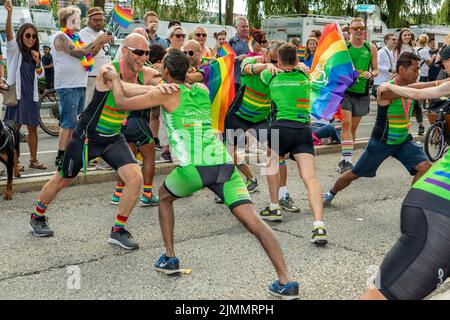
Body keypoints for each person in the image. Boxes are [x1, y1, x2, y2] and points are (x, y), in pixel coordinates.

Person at [104, 48, 300, 300]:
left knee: (163, 197)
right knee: (255, 223)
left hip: (195, 167)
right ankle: (286, 280)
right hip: (223, 165)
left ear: (164, 71)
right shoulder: (202, 90)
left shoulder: (165, 94)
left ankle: (170, 257)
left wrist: (115, 79)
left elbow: (120, 102)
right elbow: (162, 88)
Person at [28, 34, 174, 250]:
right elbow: (122, 91)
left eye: (147, 53)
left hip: (114, 137)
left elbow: (164, 82)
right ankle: (37, 216)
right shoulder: (108, 71)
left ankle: (118, 230)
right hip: (87, 137)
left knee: (135, 178)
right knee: (62, 179)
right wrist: (154, 90)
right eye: (139, 52)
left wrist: (175, 84)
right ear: (124, 50)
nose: (144, 57)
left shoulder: (145, 73)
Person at [360, 51, 450, 300]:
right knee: (382, 296)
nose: (443, 66)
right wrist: (390, 86)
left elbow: (425, 88)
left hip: (431, 199)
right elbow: (422, 90)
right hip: (439, 209)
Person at [323, 52, 431, 207]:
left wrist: (443, 83)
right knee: (354, 174)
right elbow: (416, 89)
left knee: (425, 167)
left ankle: (411, 201)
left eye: (418, 70)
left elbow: (418, 88)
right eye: (414, 70)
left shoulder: (409, 88)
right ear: (401, 69)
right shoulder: (386, 90)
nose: (418, 73)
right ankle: (330, 193)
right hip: (381, 143)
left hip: (402, 141)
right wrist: (438, 83)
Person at [257, 43, 327, 245]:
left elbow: (255, 68)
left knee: (271, 162)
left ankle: (274, 206)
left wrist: (268, 65)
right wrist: (302, 66)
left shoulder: (270, 76)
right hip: (303, 129)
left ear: (278, 61)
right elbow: (314, 77)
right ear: (297, 60)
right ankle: (319, 225)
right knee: (310, 178)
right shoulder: (306, 77)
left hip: (280, 127)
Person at [52, 6, 111, 167]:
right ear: (67, 21)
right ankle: (61, 155)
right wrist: (98, 40)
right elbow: (78, 53)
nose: (78, 21)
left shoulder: (76, 36)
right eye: (76, 19)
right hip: (68, 85)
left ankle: (73, 152)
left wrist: (99, 42)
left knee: (78, 123)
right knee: (69, 122)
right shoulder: (61, 37)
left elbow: (90, 53)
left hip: (79, 83)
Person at [224, 40, 285, 195]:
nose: (275, 64)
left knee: (275, 153)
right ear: (265, 53)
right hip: (238, 116)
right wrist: (266, 65)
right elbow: (245, 68)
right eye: (273, 60)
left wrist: (301, 67)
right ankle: (250, 179)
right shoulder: (251, 60)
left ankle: (282, 195)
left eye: (278, 61)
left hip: (261, 119)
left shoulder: (280, 68)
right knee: (230, 154)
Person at [3, 0, 46, 170]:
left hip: (31, 96)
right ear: (21, 36)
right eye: (27, 35)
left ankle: (33, 160)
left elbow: (40, 74)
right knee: (14, 131)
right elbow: (8, 33)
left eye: (34, 36)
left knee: (33, 129)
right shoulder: (15, 50)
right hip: (18, 96)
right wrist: (9, 13)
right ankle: (15, 162)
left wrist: (37, 61)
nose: (31, 38)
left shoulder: (35, 54)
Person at [338, 18, 378, 173]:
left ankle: (346, 157)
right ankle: (345, 160)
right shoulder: (344, 47)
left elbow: (376, 70)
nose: (359, 31)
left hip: (362, 92)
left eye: (362, 28)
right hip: (345, 91)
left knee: (353, 127)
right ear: (350, 31)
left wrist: (371, 73)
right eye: (356, 28)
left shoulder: (371, 47)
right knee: (346, 124)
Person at [79, 7, 112, 105]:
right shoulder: (84, 33)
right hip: (92, 77)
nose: (98, 23)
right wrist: (101, 42)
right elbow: (89, 54)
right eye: (95, 20)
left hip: (105, 77)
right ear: (89, 20)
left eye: (101, 20)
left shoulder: (103, 33)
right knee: (89, 106)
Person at [229, 16, 250, 94]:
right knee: (235, 105)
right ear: (236, 28)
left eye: (247, 26)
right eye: (243, 27)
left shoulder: (253, 41)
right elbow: (224, 61)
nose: (246, 29)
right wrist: (237, 58)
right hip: (235, 81)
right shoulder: (231, 41)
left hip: (249, 80)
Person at [416, 34, 434, 117]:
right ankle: (418, 108)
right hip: (423, 73)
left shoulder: (415, 49)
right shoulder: (425, 51)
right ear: (426, 42)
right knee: (421, 91)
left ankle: (416, 107)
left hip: (417, 73)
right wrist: (433, 57)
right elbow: (429, 62)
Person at [373, 33, 396, 97]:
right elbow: (375, 65)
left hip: (387, 82)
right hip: (380, 83)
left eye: (396, 39)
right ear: (386, 41)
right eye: (393, 39)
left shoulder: (391, 51)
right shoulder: (381, 52)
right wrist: (389, 70)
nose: (395, 41)